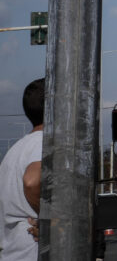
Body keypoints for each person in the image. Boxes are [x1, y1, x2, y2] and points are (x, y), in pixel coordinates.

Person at [0, 78, 44, 261]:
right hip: (33, 251)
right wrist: (52, 224)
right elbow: (32, 182)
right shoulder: (45, 142)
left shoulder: (14, 151)